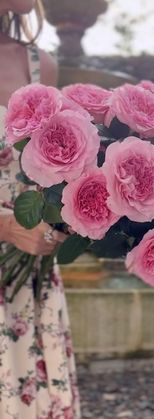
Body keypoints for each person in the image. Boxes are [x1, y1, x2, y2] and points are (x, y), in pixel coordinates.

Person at [0, 1, 80, 417]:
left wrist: (76, 211)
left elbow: (54, 170)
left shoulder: (40, 66)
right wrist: (7, 229)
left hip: (30, 275)